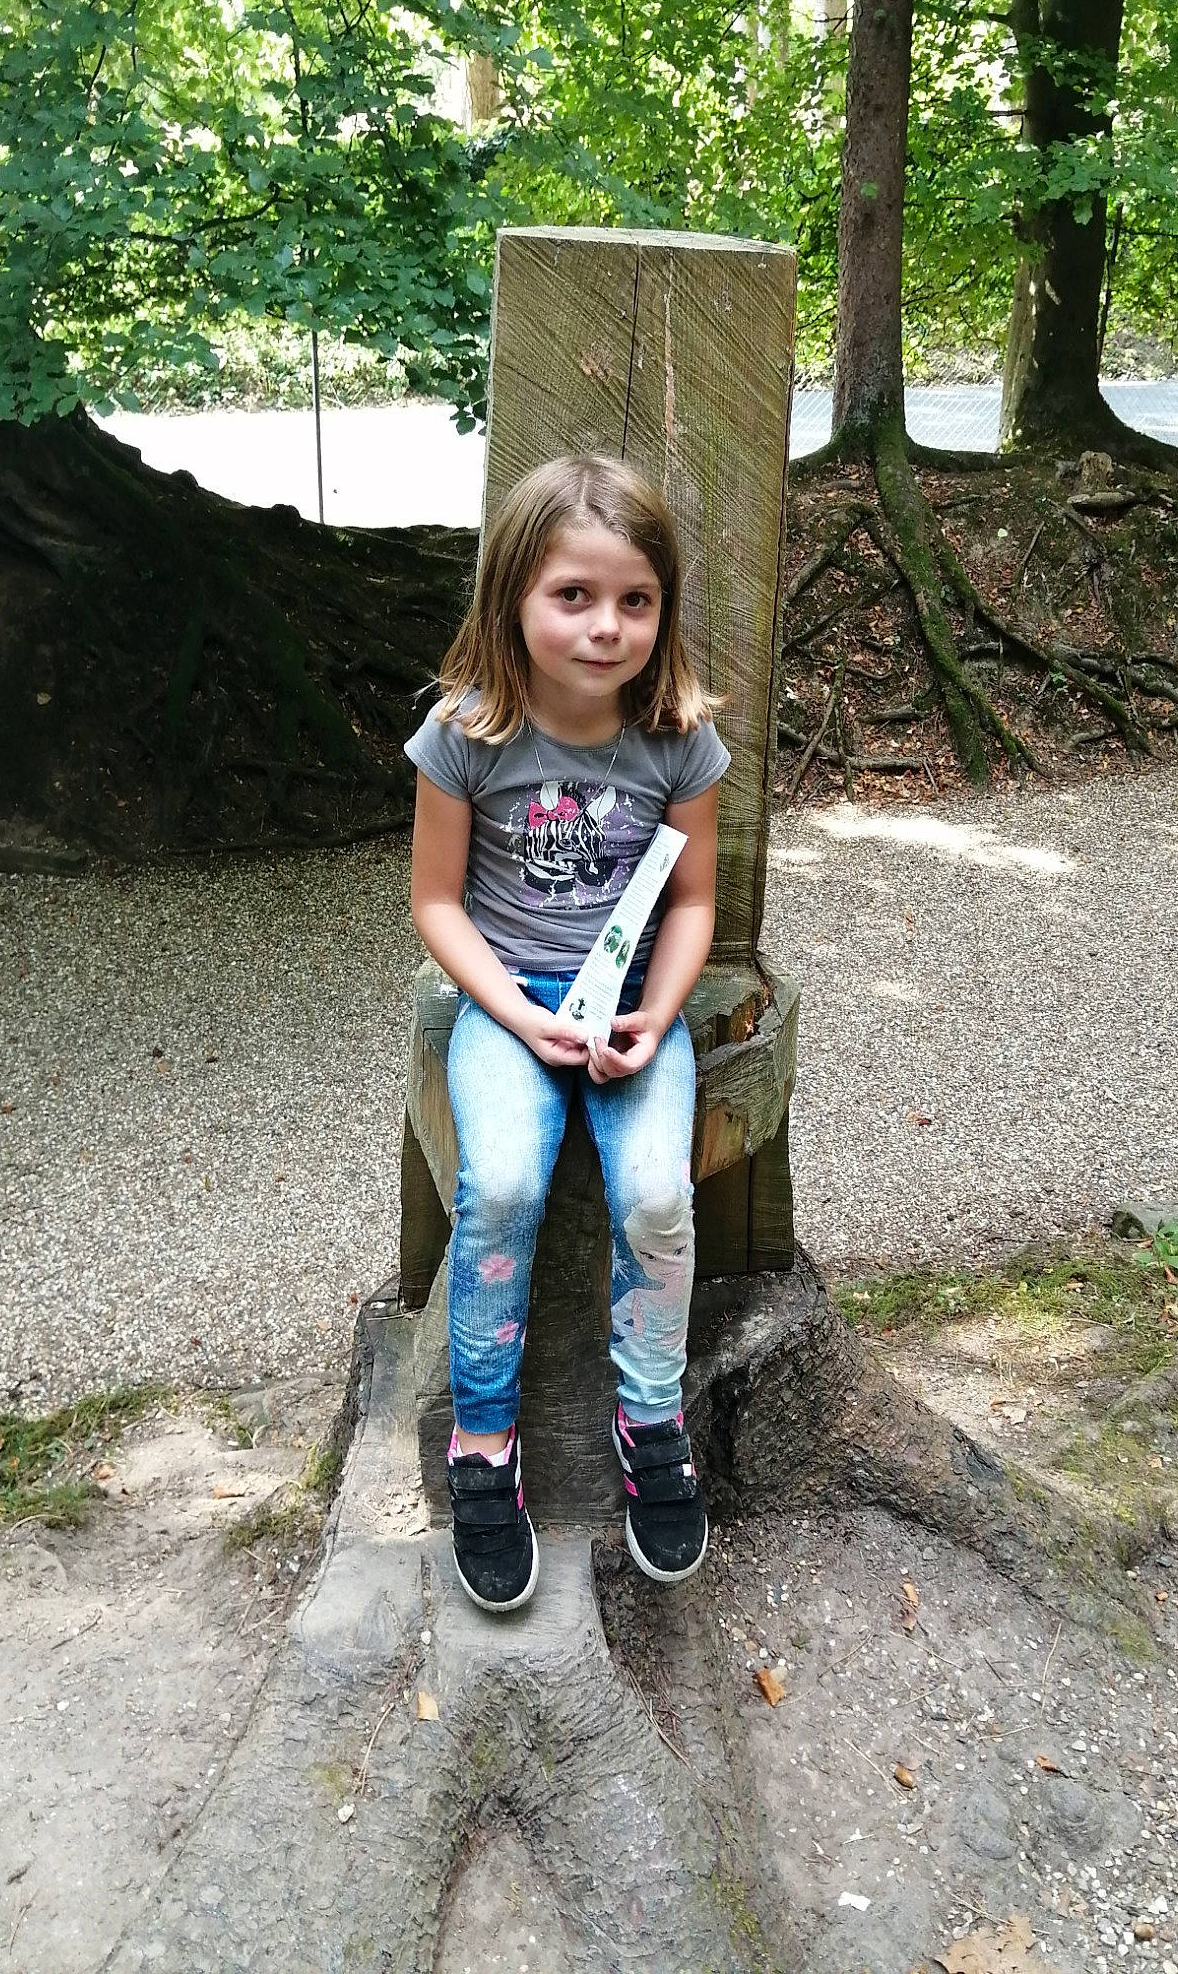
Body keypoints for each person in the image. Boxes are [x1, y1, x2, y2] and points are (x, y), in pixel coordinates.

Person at [405, 453, 729, 1614]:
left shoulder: (675, 739)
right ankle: (485, 1446)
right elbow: (437, 901)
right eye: (574, 596)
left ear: (664, 609)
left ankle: (651, 1417)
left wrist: (658, 1009)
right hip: (508, 1003)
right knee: (500, 1187)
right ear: (514, 600)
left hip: (637, 1002)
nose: (607, 627)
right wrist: (518, 1013)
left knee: (655, 1194)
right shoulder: (468, 736)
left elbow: (692, 899)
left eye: (634, 600)